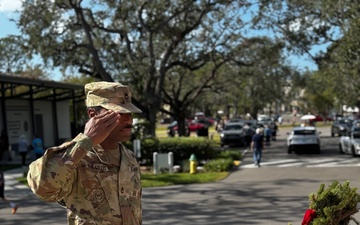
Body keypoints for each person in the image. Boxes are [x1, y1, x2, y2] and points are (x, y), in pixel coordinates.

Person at [27, 81, 143, 225]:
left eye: (129, 112)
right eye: (119, 112)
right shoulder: (76, 157)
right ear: (93, 114)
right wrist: (86, 142)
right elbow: (42, 188)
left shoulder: (129, 157)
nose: (129, 120)